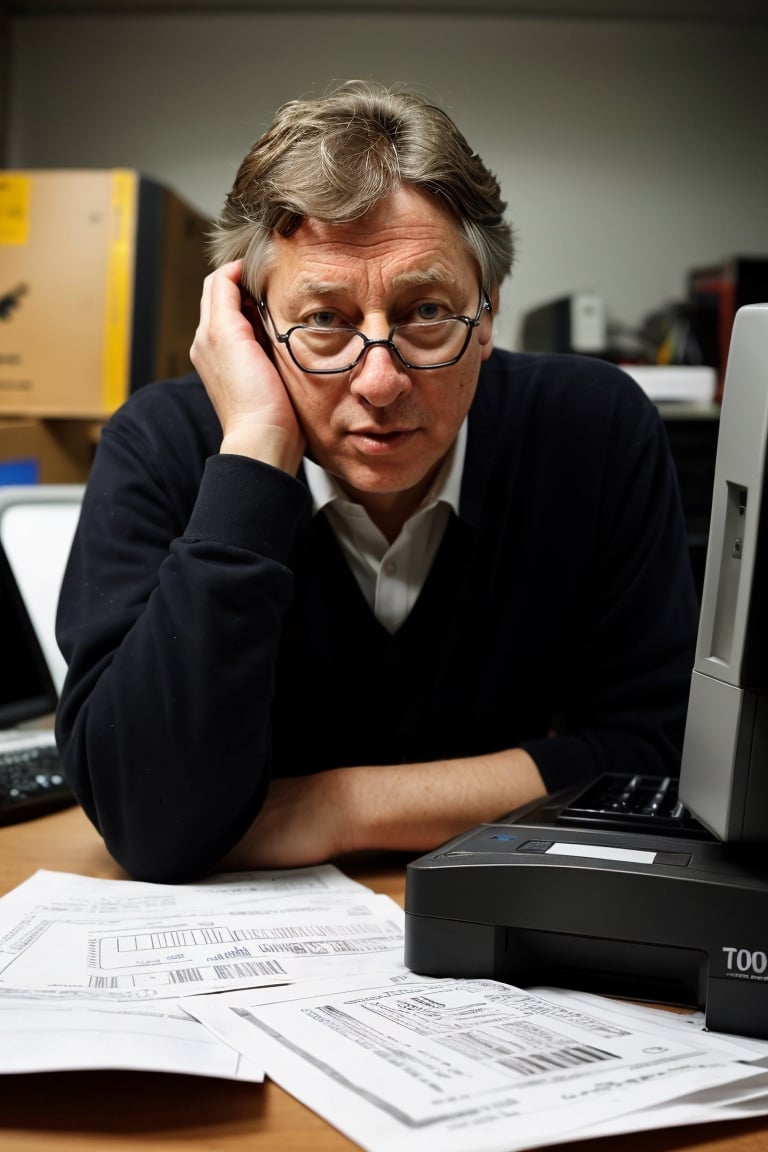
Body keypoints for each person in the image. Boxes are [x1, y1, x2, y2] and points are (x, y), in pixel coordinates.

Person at [55, 80, 699, 884]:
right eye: (324, 321)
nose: (382, 381)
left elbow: (660, 757)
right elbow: (145, 818)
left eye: (427, 311)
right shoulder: (161, 445)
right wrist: (253, 453)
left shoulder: (593, 432)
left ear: (490, 311)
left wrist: (334, 807)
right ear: (251, 325)